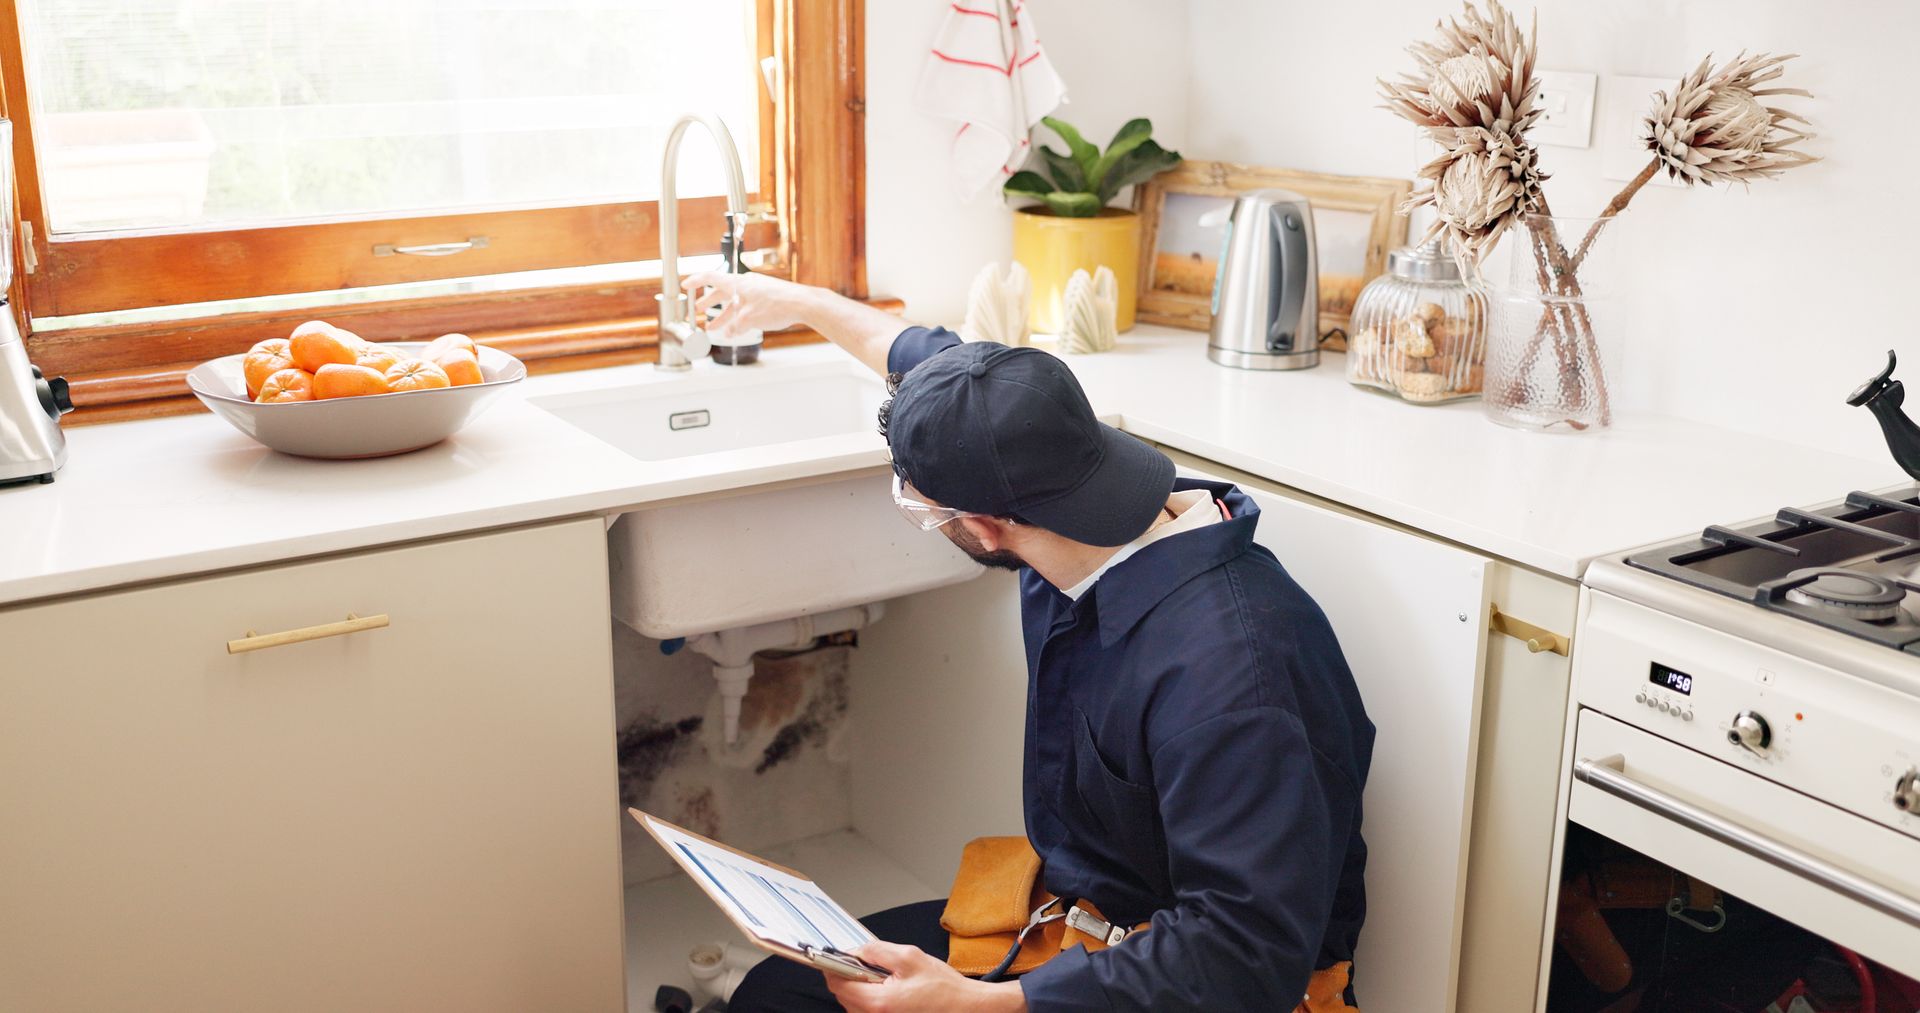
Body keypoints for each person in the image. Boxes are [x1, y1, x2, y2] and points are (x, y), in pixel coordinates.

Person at [679, 271, 1375, 1013]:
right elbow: (930, 362)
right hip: (1091, 928)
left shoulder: (1231, 673)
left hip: (1200, 981)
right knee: (782, 990)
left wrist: (971, 1005)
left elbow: (1245, 957)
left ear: (982, 525)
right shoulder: (1064, 489)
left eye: (922, 507)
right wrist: (789, 301)